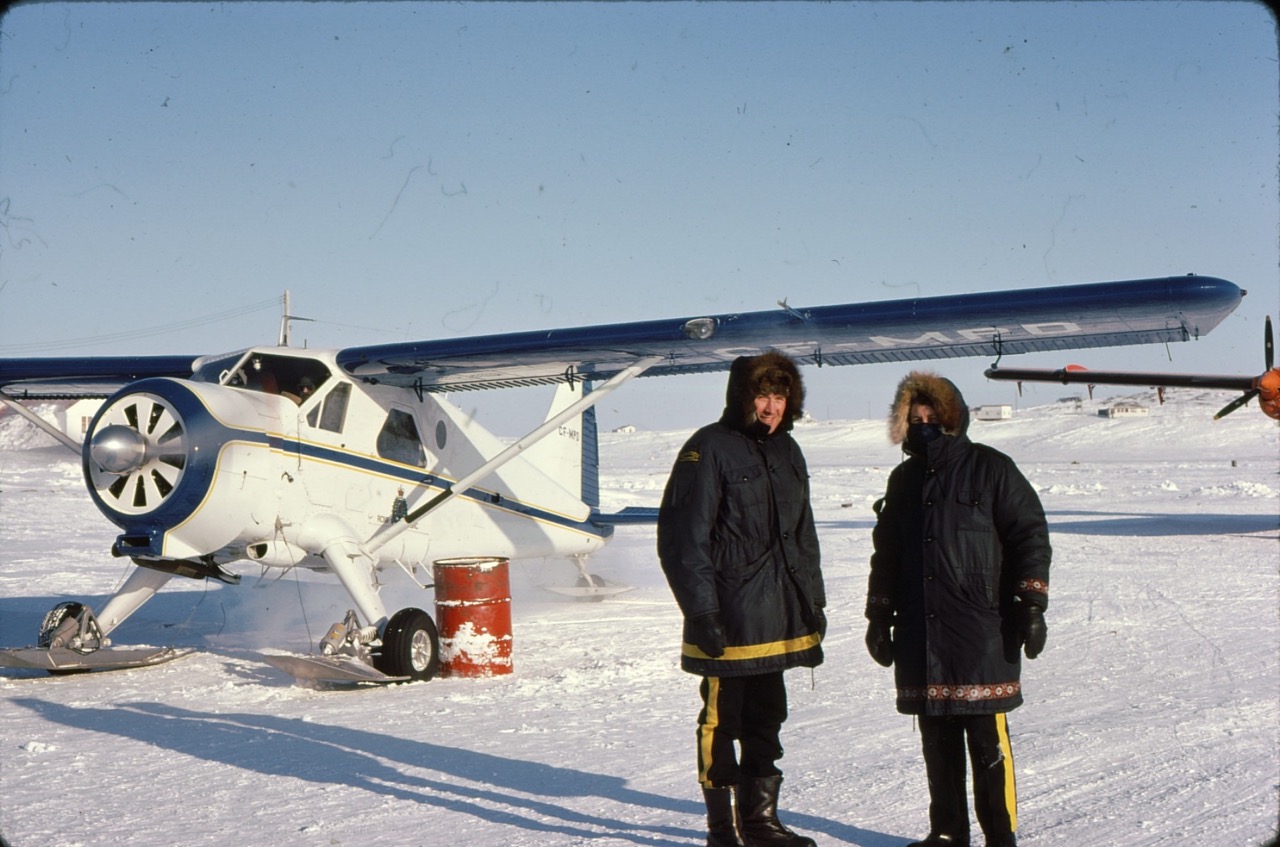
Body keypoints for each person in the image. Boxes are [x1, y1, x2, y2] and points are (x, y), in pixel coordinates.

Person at [865, 371, 1050, 847]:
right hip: (920, 630)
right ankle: (947, 833)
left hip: (981, 628)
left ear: (954, 419)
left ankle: (999, 837)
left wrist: (1031, 603)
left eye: (933, 418)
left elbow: (1029, 534)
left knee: (987, 742)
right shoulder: (903, 479)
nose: (925, 425)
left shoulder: (992, 468)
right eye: (916, 418)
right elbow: (886, 553)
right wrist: (879, 616)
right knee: (937, 742)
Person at [658, 351, 826, 847]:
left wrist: (812, 601)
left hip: (778, 618)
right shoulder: (708, 448)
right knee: (720, 722)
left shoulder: (788, 452)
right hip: (728, 618)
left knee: (767, 720)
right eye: (763, 395)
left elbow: (803, 535)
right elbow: (683, 538)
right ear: (742, 397)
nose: (772, 406)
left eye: (780, 396)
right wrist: (703, 611)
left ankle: (761, 824)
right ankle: (723, 831)